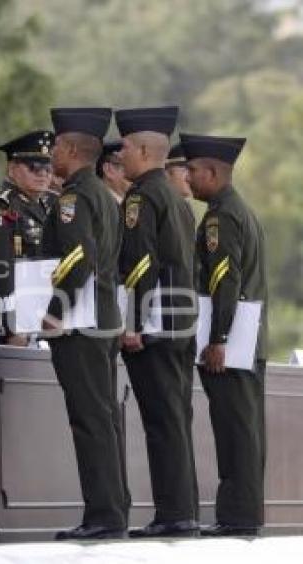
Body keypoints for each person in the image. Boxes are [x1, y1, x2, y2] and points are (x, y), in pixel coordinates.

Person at [43, 107, 129, 540]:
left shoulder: (75, 196)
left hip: (81, 322)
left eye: (56, 145)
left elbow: (79, 258)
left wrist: (54, 308)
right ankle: (113, 509)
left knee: (90, 419)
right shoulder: (101, 193)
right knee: (104, 417)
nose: (51, 152)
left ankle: (104, 516)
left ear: (73, 149)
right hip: (105, 319)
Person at [115, 107, 199, 538]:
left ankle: (174, 515)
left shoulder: (142, 196)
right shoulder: (176, 199)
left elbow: (139, 265)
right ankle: (183, 510)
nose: (121, 154)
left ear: (146, 150)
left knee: (163, 422)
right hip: (181, 321)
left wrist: (132, 323)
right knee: (175, 420)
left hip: (155, 326)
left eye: (126, 146)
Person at [182, 133, 267, 537]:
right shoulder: (239, 210)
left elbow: (224, 279)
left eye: (194, 170)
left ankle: (237, 517)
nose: (188, 176)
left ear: (214, 172)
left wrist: (218, 338)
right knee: (243, 429)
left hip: (232, 339)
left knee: (236, 430)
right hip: (247, 336)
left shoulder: (221, 216)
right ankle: (242, 514)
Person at [0, 129, 55, 345]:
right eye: (34, 167)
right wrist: (10, 326)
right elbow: (0, 271)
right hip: (18, 323)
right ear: (12, 169)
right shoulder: (1, 209)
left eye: (48, 167)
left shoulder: (48, 207)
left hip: (43, 317)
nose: (43, 174)